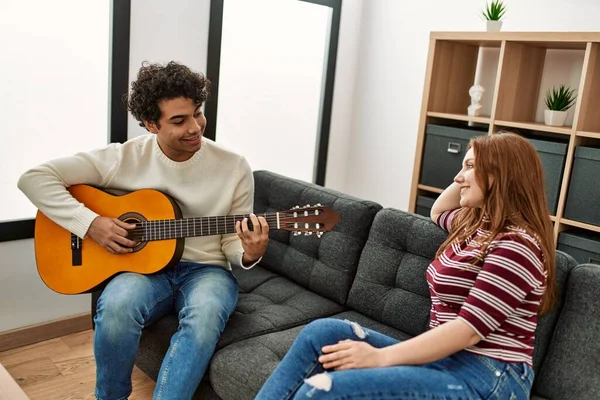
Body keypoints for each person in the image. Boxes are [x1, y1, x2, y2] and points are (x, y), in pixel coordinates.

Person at [18, 61, 269, 400]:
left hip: (207, 271)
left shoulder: (234, 166)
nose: (195, 127)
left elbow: (230, 242)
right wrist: (91, 224)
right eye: (179, 120)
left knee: (206, 315)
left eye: (198, 113)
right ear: (151, 124)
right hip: (143, 269)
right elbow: (33, 179)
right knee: (117, 306)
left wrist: (249, 252)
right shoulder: (123, 158)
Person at [255, 131, 556, 400]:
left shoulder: (517, 246)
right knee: (320, 334)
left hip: (489, 376)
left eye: (470, 167)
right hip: (447, 360)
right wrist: (475, 171)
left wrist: (378, 358)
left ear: (501, 175)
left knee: (320, 390)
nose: (457, 178)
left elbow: (468, 331)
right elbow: (439, 209)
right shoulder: (474, 227)